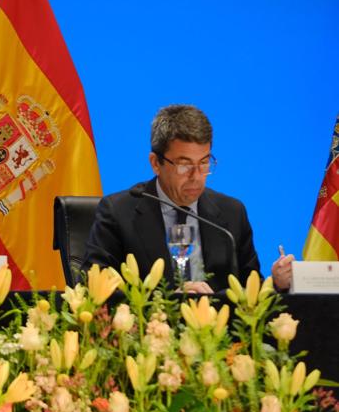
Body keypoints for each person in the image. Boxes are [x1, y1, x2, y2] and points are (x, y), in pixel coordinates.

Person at [82, 104, 293, 293]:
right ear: (156, 163)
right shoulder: (118, 213)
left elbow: (248, 291)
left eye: (204, 163)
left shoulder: (232, 213)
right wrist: (169, 302)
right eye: (184, 164)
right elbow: (93, 287)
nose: (196, 176)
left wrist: (277, 284)